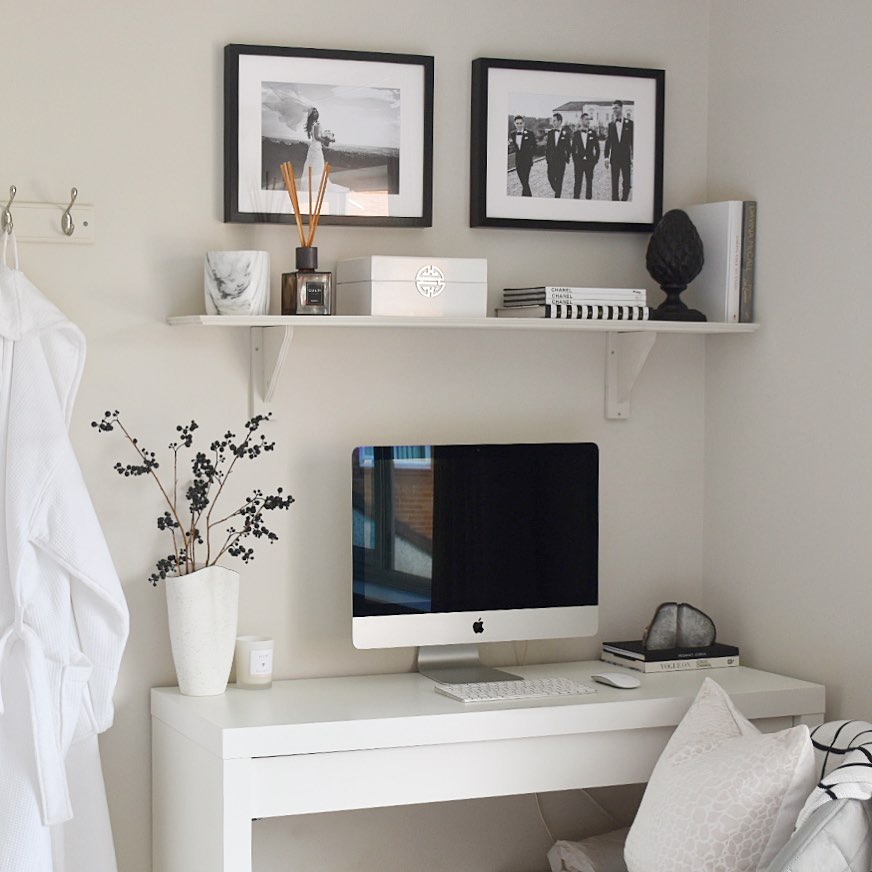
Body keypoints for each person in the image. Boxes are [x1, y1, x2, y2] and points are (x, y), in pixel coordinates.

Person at [604, 100, 633, 201]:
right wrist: (606, 157)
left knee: (627, 182)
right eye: (613, 108)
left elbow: (633, 142)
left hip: (626, 157)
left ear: (621, 108)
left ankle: (624, 199)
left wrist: (634, 158)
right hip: (614, 158)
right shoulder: (611, 125)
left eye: (616, 108)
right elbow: (608, 142)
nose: (614, 110)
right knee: (614, 182)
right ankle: (615, 201)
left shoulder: (630, 124)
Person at [570, 113, 600, 199]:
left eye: (589, 119)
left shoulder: (593, 133)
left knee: (589, 182)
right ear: (582, 120)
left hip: (590, 162)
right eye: (586, 119)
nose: (588, 121)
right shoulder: (576, 134)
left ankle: (588, 201)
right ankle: (576, 200)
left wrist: (595, 161)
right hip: (579, 162)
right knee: (577, 182)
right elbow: (573, 149)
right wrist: (575, 160)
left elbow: (597, 148)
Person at [301, 107, 334, 184]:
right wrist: (326, 140)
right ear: (312, 115)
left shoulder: (312, 124)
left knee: (313, 165)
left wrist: (326, 138)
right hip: (316, 147)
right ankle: (317, 183)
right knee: (318, 165)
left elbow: (315, 137)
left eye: (316, 111)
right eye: (314, 112)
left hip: (313, 147)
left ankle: (311, 183)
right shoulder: (316, 124)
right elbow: (317, 137)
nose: (316, 113)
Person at [508, 115, 537, 197]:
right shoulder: (513, 134)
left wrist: (529, 156)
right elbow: (514, 147)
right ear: (514, 124)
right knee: (524, 182)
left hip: (527, 162)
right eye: (517, 123)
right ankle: (526, 197)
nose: (519, 125)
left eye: (521, 123)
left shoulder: (530, 133)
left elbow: (534, 146)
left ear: (523, 123)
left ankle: (527, 198)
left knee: (525, 181)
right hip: (518, 162)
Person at [545, 112, 571, 198]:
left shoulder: (565, 134)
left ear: (560, 121)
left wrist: (567, 158)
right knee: (550, 178)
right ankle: (557, 190)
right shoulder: (550, 133)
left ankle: (557, 196)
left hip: (561, 161)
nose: (553, 122)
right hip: (551, 161)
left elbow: (568, 147)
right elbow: (548, 147)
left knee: (559, 180)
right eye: (553, 121)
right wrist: (547, 158)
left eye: (555, 121)